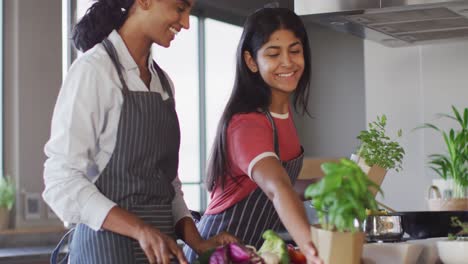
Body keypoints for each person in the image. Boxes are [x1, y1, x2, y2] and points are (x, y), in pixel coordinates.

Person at [42, 0, 238, 263]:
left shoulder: (163, 83)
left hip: (159, 253)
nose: (186, 23)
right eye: (180, 8)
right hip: (104, 253)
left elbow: (168, 182)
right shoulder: (94, 70)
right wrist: (141, 230)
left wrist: (197, 241)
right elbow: (61, 181)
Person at [184, 7, 323, 264]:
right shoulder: (247, 123)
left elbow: (279, 183)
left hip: (251, 254)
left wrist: (328, 185)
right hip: (217, 255)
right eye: (273, 53)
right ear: (251, 61)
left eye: (295, 50)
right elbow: (277, 188)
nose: (288, 62)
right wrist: (314, 251)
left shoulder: (282, 115)